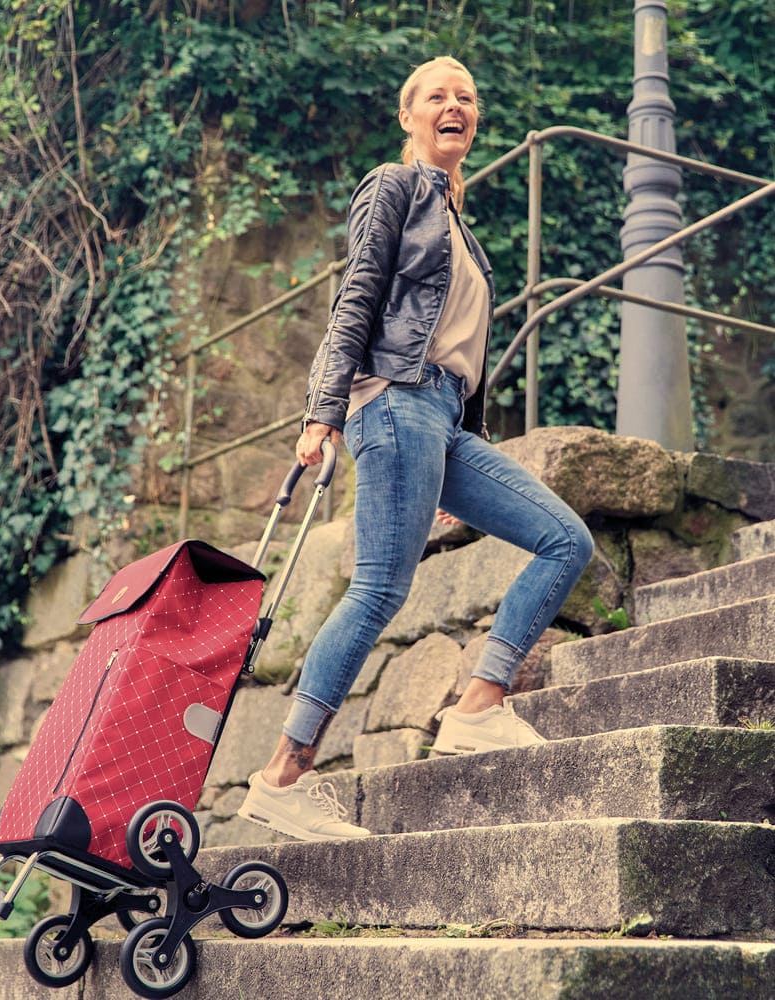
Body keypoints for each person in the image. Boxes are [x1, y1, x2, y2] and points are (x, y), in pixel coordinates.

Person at [237, 56, 594, 842]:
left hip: (441, 423)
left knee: (565, 538)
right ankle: (281, 777)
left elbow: (463, 352)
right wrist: (322, 412)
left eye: (466, 96)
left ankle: (477, 706)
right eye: (438, 96)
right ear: (410, 117)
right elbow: (357, 298)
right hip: (393, 403)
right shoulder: (393, 188)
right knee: (377, 591)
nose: (454, 105)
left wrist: (455, 454)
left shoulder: (461, 226)